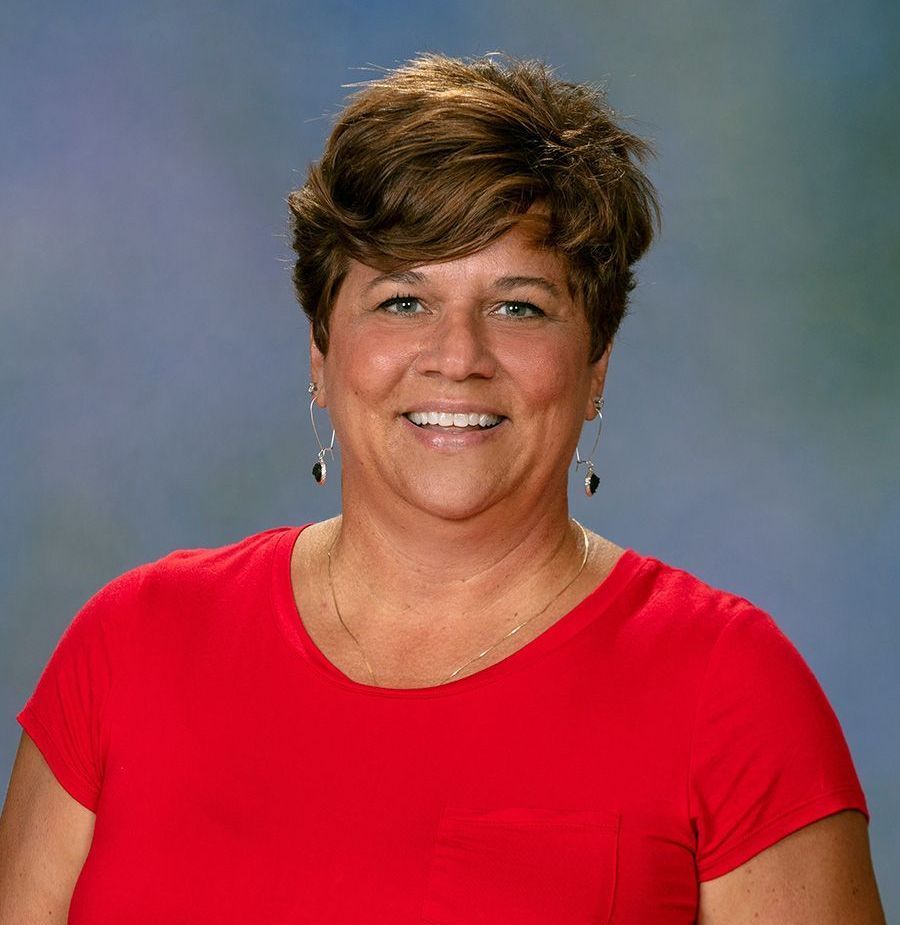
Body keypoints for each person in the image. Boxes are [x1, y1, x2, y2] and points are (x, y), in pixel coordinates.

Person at [0, 53, 885, 924]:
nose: (458, 357)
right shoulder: (130, 648)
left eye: (520, 307)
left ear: (596, 365)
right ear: (321, 351)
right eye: (401, 301)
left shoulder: (730, 690)